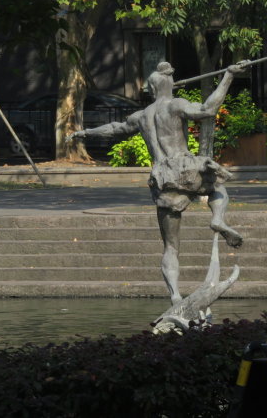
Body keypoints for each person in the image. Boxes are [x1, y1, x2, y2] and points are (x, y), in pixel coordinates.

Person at [67, 60, 248, 305]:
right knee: (217, 188)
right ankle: (217, 218)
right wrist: (228, 76)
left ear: (151, 90)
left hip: (162, 177)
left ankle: (174, 294)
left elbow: (115, 128)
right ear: (170, 84)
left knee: (171, 247)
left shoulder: (142, 116)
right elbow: (207, 110)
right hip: (185, 167)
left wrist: (86, 133)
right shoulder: (176, 104)